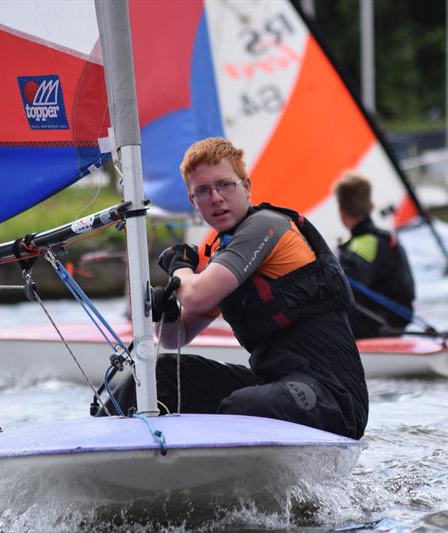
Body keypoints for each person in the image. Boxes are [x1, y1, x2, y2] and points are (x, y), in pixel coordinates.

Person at [102, 137, 368, 440]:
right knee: (155, 376)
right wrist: (168, 312)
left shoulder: (266, 226)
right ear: (193, 201)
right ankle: (103, 446)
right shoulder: (219, 254)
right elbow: (176, 338)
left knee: (244, 405)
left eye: (225, 185)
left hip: (334, 398)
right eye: (203, 190)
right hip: (274, 384)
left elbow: (196, 294)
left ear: (246, 187)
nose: (215, 197)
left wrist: (179, 270)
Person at [334, 174, 415, 339]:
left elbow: (342, 289)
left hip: (382, 325)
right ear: (371, 206)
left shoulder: (364, 244)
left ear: (342, 213)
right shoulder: (384, 238)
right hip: (396, 320)